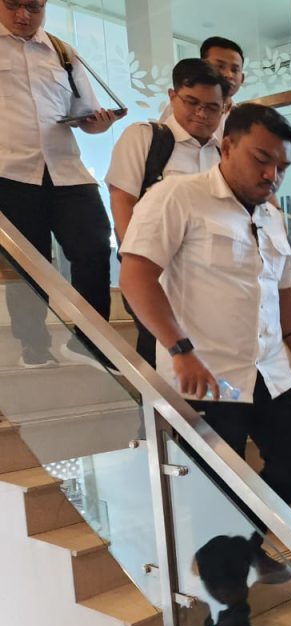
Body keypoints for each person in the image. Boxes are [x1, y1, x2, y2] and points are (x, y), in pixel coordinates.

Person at [118, 103, 291, 626]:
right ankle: (231, 618)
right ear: (227, 146)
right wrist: (178, 349)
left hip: (270, 371)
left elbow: (282, 293)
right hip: (205, 377)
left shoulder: (273, 216)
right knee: (215, 499)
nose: (272, 175)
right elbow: (135, 275)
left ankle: (240, 550)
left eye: (281, 167)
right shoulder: (176, 197)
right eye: (262, 159)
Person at [0, 0, 124, 367]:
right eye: (13, 5)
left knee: (95, 247)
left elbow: (86, 114)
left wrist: (99, 123)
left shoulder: (62, 51)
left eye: (33, 7)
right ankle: (34, 346)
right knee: (28, 262)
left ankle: (90, 341)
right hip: (10, 171)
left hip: (67, 169)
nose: (23, 15)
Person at [107, 58, 228, 366]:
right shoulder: (147, 137)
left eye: (211, 107)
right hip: (155, 276)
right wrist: (136, 265)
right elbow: (122, 200)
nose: (201, 113)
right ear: (173, 96)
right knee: (161, 357)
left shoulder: (223, 154)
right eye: (192, 102)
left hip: (208, 280)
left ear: (224, 108)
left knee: (207, 360)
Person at [159, 36, 245, 140]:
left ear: (242, 78)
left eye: (235, 70)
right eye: (219, 66)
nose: (228, 74)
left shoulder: (244, 118)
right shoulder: (180, 107)